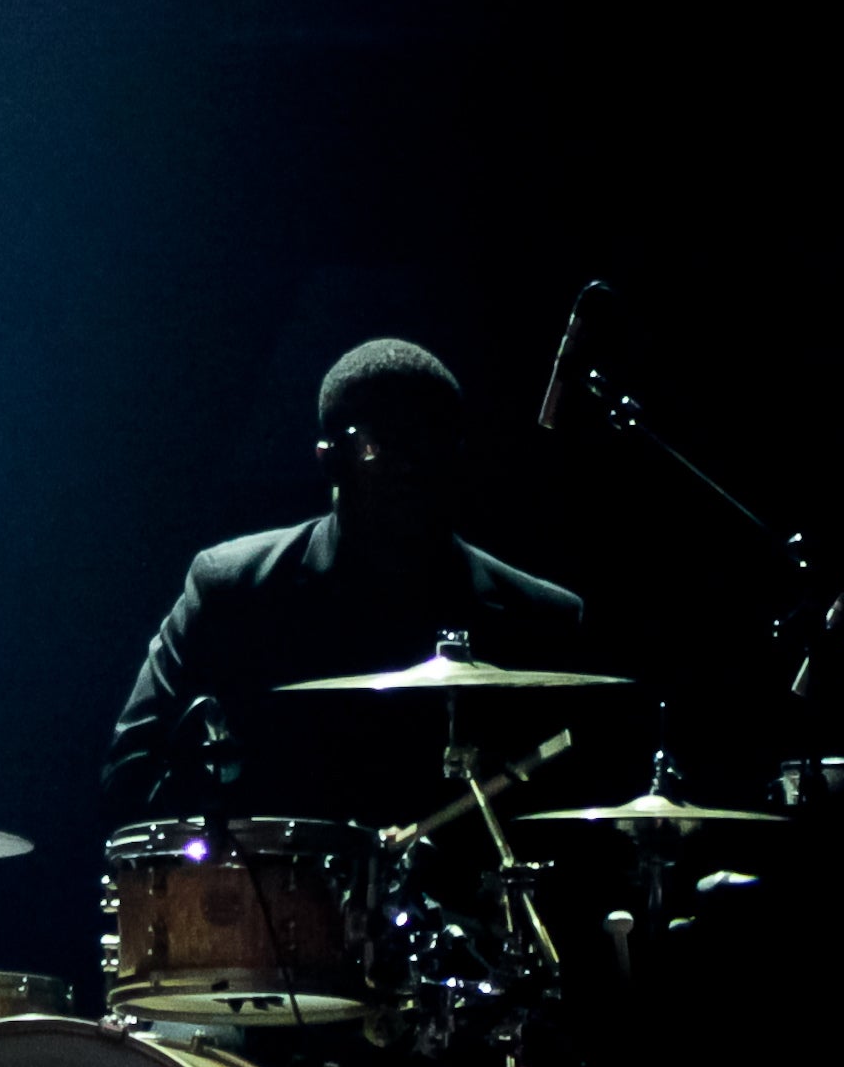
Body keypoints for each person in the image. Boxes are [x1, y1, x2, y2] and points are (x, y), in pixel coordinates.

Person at [101, 338, 586, 822]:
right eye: (381, 445)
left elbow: (573, 818)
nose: (409, 467)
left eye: (429, 443)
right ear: (328, 458)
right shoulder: (233, 590)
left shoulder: (539, 619)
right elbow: (132, 772)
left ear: (458, 453)